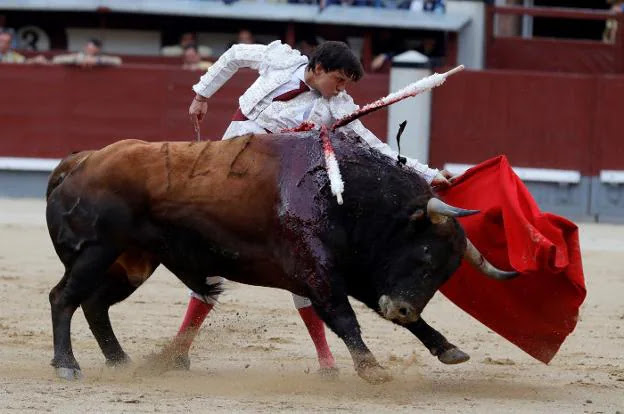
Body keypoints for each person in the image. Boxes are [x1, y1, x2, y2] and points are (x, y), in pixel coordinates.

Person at [164, 40, 453, 374]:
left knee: (305, 261)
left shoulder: (339, 105)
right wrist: (203, 93)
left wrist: (428, 174)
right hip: (228, 166)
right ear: (317, 69)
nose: (342, 89)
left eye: (346, 84)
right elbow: (235, 54)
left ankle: (325, 358)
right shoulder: (281, 60)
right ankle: (181, 346)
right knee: (209, 256)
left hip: (273, 185)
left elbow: (373, 145)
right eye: (339, 80)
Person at [52, 38, 121, 67]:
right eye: (87, 46)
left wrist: (97, 61)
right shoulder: (78, 56)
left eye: (91, 47)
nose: (87, 48)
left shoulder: (100, 57)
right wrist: (78, 60)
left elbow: (117, 61)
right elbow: (56, 59)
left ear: (97, 49)